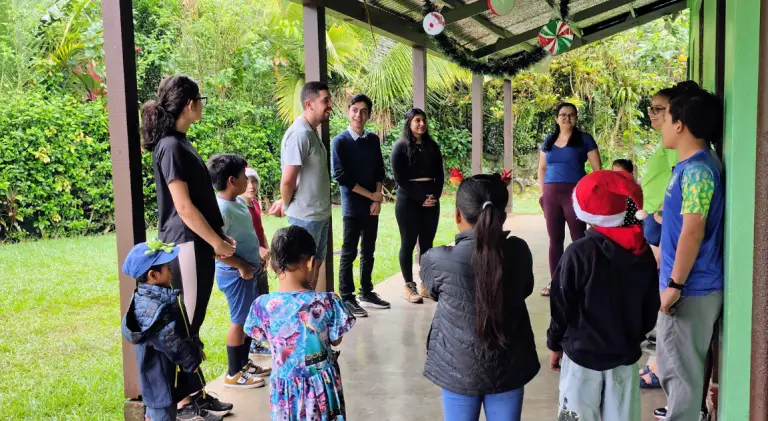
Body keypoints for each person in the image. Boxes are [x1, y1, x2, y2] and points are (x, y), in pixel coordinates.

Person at [141, 75, 234, 419]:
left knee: (190, 323)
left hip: (196, 244)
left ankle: (194, 393)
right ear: (190, 104)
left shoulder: (179, 141)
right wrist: (215, 241)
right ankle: (183, 403)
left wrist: (218, 237)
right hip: (186, 245)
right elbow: (183, 207)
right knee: (185, 326)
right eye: (201, 100)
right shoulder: (170, 146)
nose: (201, 106)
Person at [421, 174, 539, 421]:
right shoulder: (518, 251)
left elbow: (432, 292)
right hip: (508, 366)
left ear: (457, 215)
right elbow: (525, 288)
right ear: (502, 216)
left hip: (457, 367)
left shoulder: (436, 259)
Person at [547, 170, 659, 421]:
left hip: (582, 358)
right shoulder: (643, 253)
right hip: (624, 357)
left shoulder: (579, 252)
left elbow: (561, 305)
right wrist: (632, 337)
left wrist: (554, 343)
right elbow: (650, 308)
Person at [655, 86, 724, 421]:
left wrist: (675, 285)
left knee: (680, 375)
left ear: (680, 124)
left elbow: (693, 230)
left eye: (665, 116)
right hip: (686, 287)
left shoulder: (698, 171)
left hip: (690, 291)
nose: (662, 124)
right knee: (677, 370)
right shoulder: (691, 167)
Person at [244, 226, 356, 421]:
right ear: (310, 262)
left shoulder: (261, 306)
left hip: (284, 393)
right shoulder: (327, 302)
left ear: (272, 264)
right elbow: (335, 340)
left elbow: (268, 340)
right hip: (321, 388)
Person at [121, 240, 205, 421]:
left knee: (160, 411)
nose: (172, 269)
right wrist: (191, 360)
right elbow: (171, 341)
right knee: (163, 414)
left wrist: (195, 345)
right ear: (153, 275)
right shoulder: (153, 308)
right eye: (168, 267)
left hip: (163, 374)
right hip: (159, 378)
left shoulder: (152, 297)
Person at [207, 153, 271, 388]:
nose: (248, 180)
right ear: (232, 181)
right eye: (244, 176)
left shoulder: (238, 202)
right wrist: (242, 265)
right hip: (235, 274)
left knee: (247, 320)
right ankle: (233, 373)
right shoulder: (222, 210)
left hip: (248, 270)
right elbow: (214, 249)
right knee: (239, 321)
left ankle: (244, 364)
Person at [268, 81, 333, 291]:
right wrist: (287, 205)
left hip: (320, 215)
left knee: (315, 265)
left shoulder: (311, 131)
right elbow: (288, 180)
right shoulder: (300, 134)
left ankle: (312, 306)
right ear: (309, 104)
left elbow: (301, 180)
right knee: (301, 272)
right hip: (305, 217)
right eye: (325, 100)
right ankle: (301, 309)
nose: (330, 105)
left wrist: (284, 200)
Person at [331, 94, 391, 317]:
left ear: (369, 115)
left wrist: (376, 197)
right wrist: (371, 196)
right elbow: (341, 177)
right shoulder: (340, 141)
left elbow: (379, 170)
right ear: (348, 111)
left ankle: (366, 291)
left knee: (369, 250)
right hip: (352, 207)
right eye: (355, 110)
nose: (359, 115)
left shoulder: (373, 140)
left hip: (371, 205)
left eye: (364, 111)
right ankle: (347, 297)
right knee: (349, 252)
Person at [537, 103, 602, 296]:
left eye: (571, 115)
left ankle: (582, 281)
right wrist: (542, 193)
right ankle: (556, 282)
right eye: (563, 115)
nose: (567, 118)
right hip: (551, 194)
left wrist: (591, 194)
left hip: (574, 194)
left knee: (578, 238)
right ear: (557, 119)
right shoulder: (549, 140)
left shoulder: (584, 139)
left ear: (576, 118)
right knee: (555, 239)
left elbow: (597, 170)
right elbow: (542, 168)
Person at [391, 108, 444, 304]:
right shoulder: (400, 147)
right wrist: (421, 197)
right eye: (417, 120)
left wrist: (434, 196)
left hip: (431, 200)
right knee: (408, 243)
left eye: (423, 120)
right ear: (409, 123)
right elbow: (400, 178)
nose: (421, 124)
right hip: (408, 201)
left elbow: (440, 174)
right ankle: (409, 285)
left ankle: (425, 283)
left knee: (427, 245)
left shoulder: (433, 146)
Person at [241, 166, 272, 356]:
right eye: (247, 182)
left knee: (262, 298)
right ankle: (252, 342)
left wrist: (266, 250)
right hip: (249, 260)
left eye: (254, 181)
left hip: (260, 259)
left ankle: (259, 339)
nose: (251, 186)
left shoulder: (254, 204)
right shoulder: (239, 207)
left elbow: (260, 231)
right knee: (251, 302)